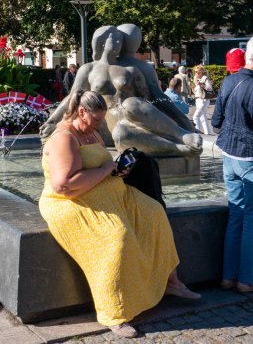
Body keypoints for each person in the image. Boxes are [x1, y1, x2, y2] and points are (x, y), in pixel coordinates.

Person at [39, 89, 201, 339]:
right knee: (117, 237)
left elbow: (100, 167)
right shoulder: (64, 138)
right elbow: (64, 185)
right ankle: (114, 313)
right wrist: (106, 169)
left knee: (154, 213)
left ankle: (171, 282)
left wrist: (117, 170)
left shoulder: (89, 131)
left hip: (110, 193)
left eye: (101, 120)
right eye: (96, 119)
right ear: (81, 112)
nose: (99, 124)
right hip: (73, 203)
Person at [40, 25, 202, 157]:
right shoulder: (88, 69)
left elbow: (154, 99)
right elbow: (72, 98)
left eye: (121, 40)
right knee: (120, 135)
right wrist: (52, 122)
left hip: (128, 119)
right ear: (102, 43)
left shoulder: (131, 70)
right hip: (103, 127)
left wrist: (184, 122)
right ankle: (178, 147)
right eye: (115, 40)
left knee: (130, 106)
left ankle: (181, 135)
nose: (120, 44)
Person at [211, 43, 253, 293]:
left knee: (236, 215)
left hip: (228, 155)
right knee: (250, 220)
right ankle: (246, 280)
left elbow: (216, 121)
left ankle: (228, 277)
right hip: (249, 158)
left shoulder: (229, 82)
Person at [192, 65, 213, 135]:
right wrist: (193, 87)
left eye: (198, 72)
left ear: (201, 71)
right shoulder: (196, 78)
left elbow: (209, 88)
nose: (196, 73)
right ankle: (208, 133)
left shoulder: (205, 78)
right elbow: (196, 92)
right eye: (195, 72)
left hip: (203, 100)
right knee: (202, 117)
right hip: (198, 99)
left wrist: (201, 84)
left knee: (196, 116)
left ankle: (198, 134)